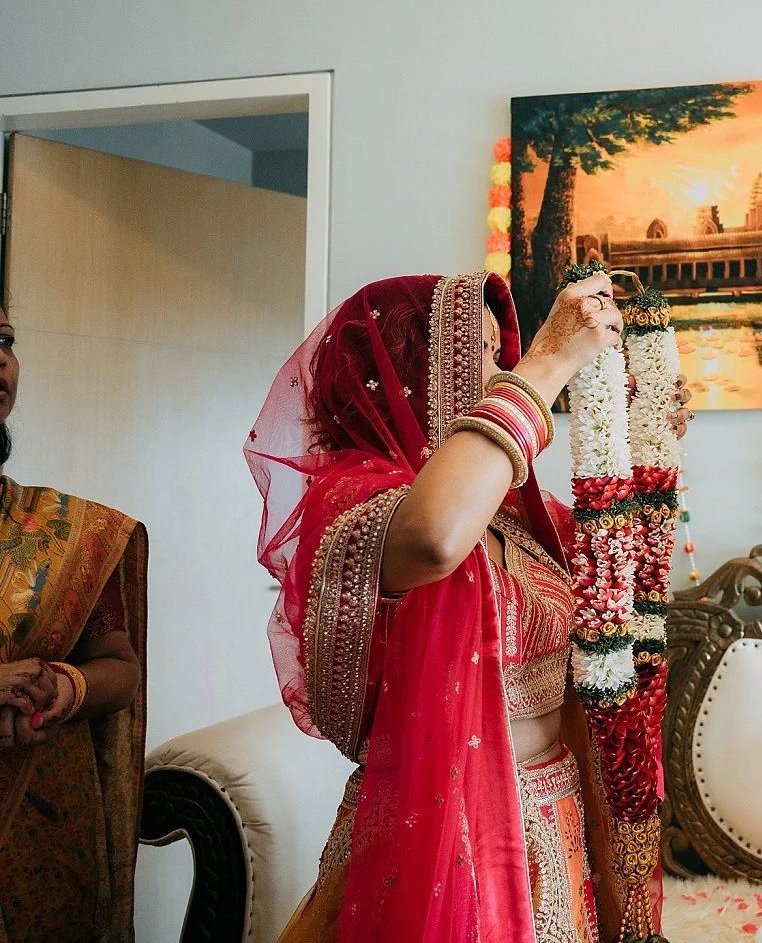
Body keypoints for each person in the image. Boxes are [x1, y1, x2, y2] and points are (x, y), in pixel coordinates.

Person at [250, 270, 684, 943]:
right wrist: (548, 363)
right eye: (482, 352)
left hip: (556, 826)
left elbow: (614, 583)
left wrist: (650, 428)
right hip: (443, 845)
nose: (503, 371)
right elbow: (434, 539)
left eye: (502, 353)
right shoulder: (359, 508)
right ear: (413, 376)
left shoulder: (515, 520)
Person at [0, 303, 148, 942]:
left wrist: (60, 688)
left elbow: (120, 667)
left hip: (44, 859)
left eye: (4, 339)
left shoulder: (71, 536)